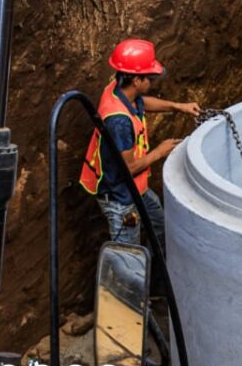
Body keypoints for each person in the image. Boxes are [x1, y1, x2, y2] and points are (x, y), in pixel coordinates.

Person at [80, 39, 200, 245]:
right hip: (120, 198)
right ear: (136, 80)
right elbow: (129, 167)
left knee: (159, 225)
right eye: (149, 78)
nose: (152, 82)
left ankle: (162, 265)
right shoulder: (119, 121)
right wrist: (159, 152)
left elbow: (142, 102)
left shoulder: (117, 89)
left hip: (136, 187)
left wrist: (178, 106)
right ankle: (135, 274)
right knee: (129, 258)